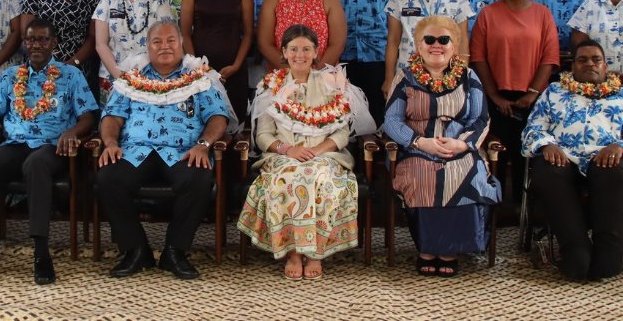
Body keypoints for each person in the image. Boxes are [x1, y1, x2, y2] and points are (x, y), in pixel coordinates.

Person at [0, 19, 98, 285]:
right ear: (24, 42)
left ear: (54, 44)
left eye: (43, 40)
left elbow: (88, 116)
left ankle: (41, 254)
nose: (36, 45)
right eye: (31, 39)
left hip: (52, 146)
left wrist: (72, 132)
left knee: (36, 164)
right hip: (15, 143)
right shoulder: (11, 76)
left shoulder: (70, 75)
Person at [96, 21, 234, 280]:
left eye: (171, 40)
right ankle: (136, 250)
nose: (164, 46)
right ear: (147, 47)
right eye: (157, 42)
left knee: (199, 177)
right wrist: (111, 144)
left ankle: (175, 252)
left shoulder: (199, 79)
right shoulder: (132, 78)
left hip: (183, 151)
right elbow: (111, 116)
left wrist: (203, 146)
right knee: (108, 176)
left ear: (181, 44)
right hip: (136, 151)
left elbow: (218, 117)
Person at [240, 25, 363, 280]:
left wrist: (318, 150)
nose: (300, 55)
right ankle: (294, 253)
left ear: (316, 52)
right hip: (282, 157)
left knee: (320, 177)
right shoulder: (270, 86)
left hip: (326, 157)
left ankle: (316, 253)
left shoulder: (332, 83)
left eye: (306, 49)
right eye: (294, 49)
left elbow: (342, 134)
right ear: (284, 52)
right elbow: (262, 137)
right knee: (288, 178)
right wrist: (289, 150)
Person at [521, 39, 623, 281]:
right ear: (573, 67)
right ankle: (575, 249)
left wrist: (619, 146)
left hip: (607, 156)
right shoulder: (554, 92)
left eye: (596, 59)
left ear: (605, 65)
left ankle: (608, 253)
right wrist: (547, 144)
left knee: (612, 171)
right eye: (582, 60)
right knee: (547, 172)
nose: (590, 64)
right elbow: (532, 129)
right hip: (562, 155)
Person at [382, 16, 496, 277]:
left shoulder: (469, 76)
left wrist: (461, 144)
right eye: (429, 40)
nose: (437, 45)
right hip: (416, 148)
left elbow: (481, 119)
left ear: (454, 45)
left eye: (443, 40)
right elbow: (391, 120)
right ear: (418, 46)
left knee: (466, 172)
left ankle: (451, 249)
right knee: (424, 175)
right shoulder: (405, 77)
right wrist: (420, 142)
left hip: (459, 147)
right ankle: (427, 249)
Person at [469, 0, 557, 199]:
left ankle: (525, 206)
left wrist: (532, 94)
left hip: (534, 99)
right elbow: (478, 58)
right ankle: (498, 206)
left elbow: (549, 58)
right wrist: (495, 96)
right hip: (498, 99)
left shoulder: (542, 14)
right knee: (499, 151)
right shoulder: (488, 15)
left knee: (528, 154)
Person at [384, 0, 473, 97]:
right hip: (407, 75)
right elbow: (393, 41)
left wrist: (461, 75)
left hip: (446, 76)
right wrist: (389, 78)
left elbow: (462, 41)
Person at [181, 0, 255, 119]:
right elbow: (185, 32)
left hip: (234, 70)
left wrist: (236, 66)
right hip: (200, 72)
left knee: (233, 125)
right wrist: (198, 68)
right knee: (202, 121)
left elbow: (248, 33)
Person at [95, 0, 175, 100]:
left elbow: (167, 42)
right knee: (111, 122)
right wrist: (119, 75)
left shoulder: (159, 1)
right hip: (112, 78)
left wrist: (142, 77)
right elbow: (101, 44)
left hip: (150, 77)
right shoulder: (108, 0)